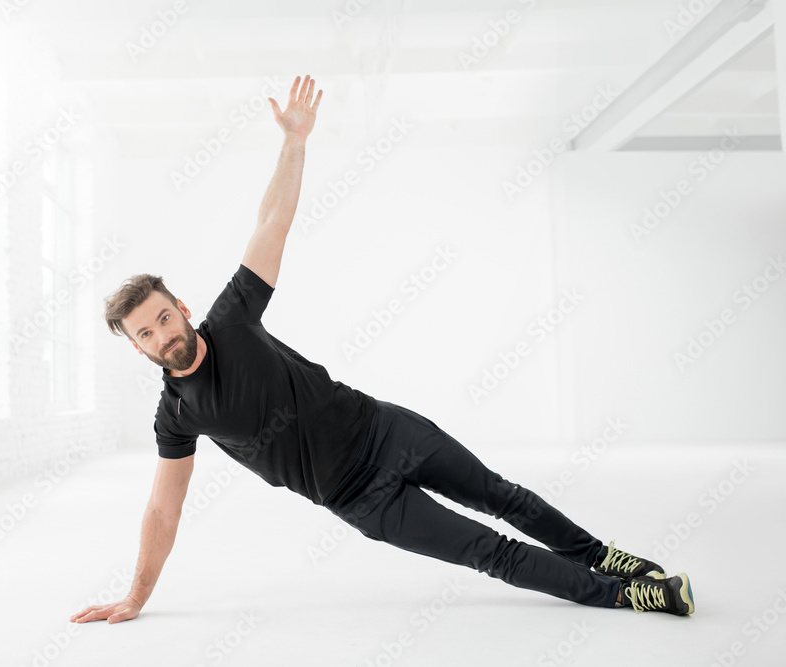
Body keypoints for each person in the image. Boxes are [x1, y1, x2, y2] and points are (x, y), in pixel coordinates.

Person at [70, 75, 694, 625]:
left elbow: (271, 223)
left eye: (161, 318)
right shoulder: (176, 416)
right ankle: (629, 596)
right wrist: (136, 594)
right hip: (359, 498)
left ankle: (606, 558)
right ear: (136, 347)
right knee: (488, 552)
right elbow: (162, 509)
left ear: (179, 306)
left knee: (505, 497)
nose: (162, 336)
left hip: (385, 429)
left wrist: (294, 141)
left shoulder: (231, 318)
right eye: (145, 335)